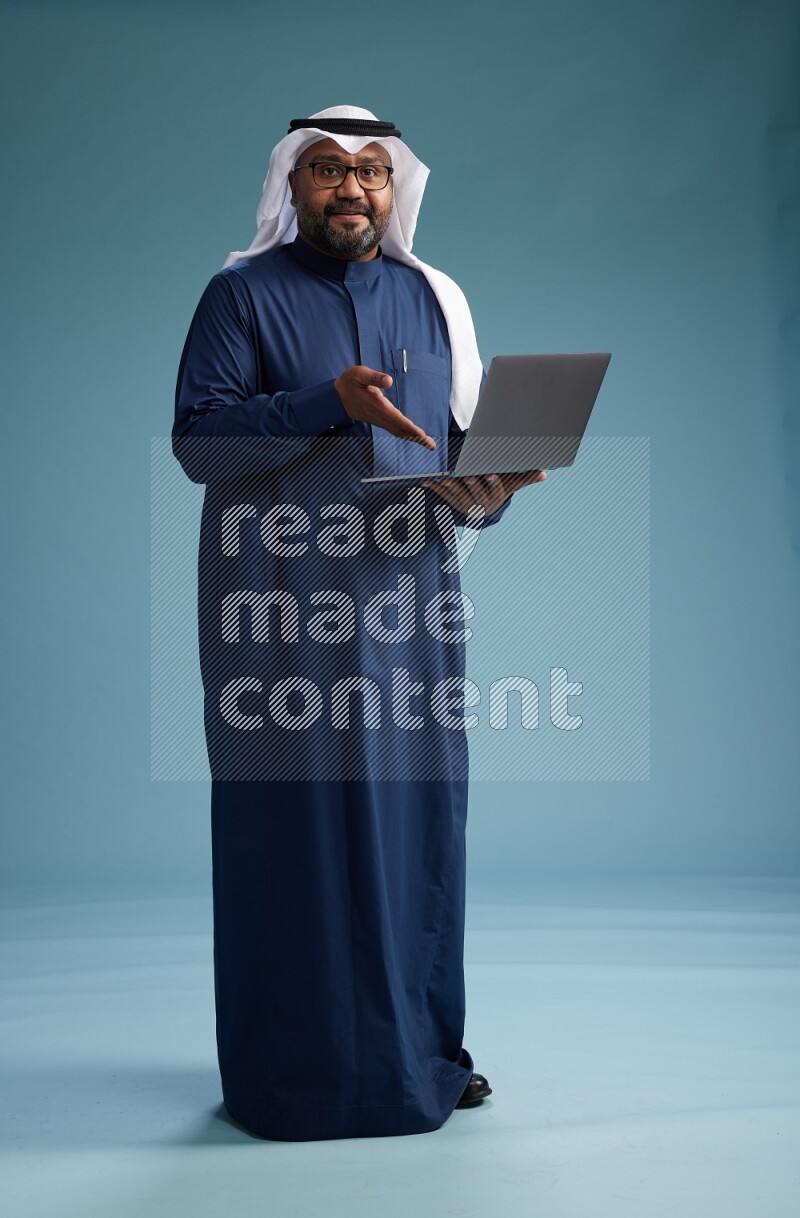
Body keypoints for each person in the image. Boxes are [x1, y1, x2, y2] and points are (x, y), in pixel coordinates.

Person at [172, 105, 545, 1142]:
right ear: (290, 187)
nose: (351, 190)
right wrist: (323, 403)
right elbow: (199, 443)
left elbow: (456, 465)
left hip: (410, 610)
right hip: (277, 610)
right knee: (292, 832)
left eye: (372, 173)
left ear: (397, 190)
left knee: (418, 828)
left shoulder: (434, 302)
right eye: (329, 171)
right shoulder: (239, 297)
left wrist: (492, 490)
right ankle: (290, 1073)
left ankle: (419, 1054)